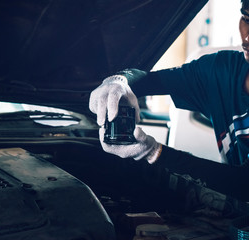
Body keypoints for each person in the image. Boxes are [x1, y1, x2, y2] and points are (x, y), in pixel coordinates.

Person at [89, 0, 249, 202]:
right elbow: (151, 80)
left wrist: (153, 152)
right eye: (247, 18)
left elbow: (245, 184)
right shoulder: (223, 70)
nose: (247, 37)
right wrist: (119, 82)